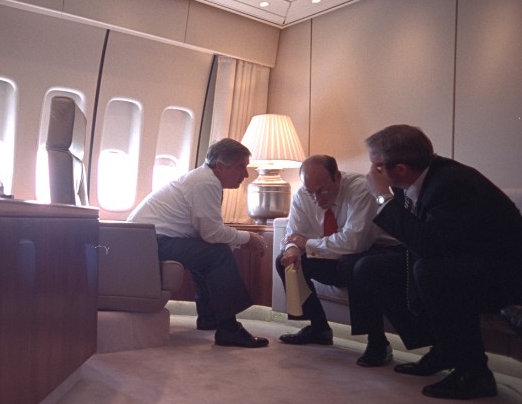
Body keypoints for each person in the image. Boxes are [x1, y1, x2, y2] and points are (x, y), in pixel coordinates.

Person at [352, 125, 522, 400]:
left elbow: (429, 245)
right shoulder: (411, 182)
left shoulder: (452, 183)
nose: (371, 173)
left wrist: (383, 197)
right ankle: (442, 349)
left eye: (376, 166)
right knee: (370, 268)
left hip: (514, 272)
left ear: (400, 168)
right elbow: (424, 241)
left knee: (431, 271)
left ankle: (474, 374)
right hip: (466, 261)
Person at [127, 138, 270, 348]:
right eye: (241, 167)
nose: (246, 175)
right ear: (220, 166)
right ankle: (228, 329)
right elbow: (212, 234)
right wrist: (249, 237)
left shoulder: (205, 179)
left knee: (208, 252)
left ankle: (209, 317)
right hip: (148, 243)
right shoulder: (206, 182)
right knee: (217, 253)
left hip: (145, 241)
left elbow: (206, 234)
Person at [275, 154, 401, 366]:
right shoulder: (303, 194)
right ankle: (319, 328)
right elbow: (293, 234)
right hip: (333, 253)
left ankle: (378, 342)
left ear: (337, 177)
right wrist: (292, 250)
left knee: (353, 263)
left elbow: (354, 243)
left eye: (323, 190)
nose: (318, 199)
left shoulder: (361, 189)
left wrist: (306, 243)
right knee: (285, 261)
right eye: (311, 192)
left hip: (378, 251)